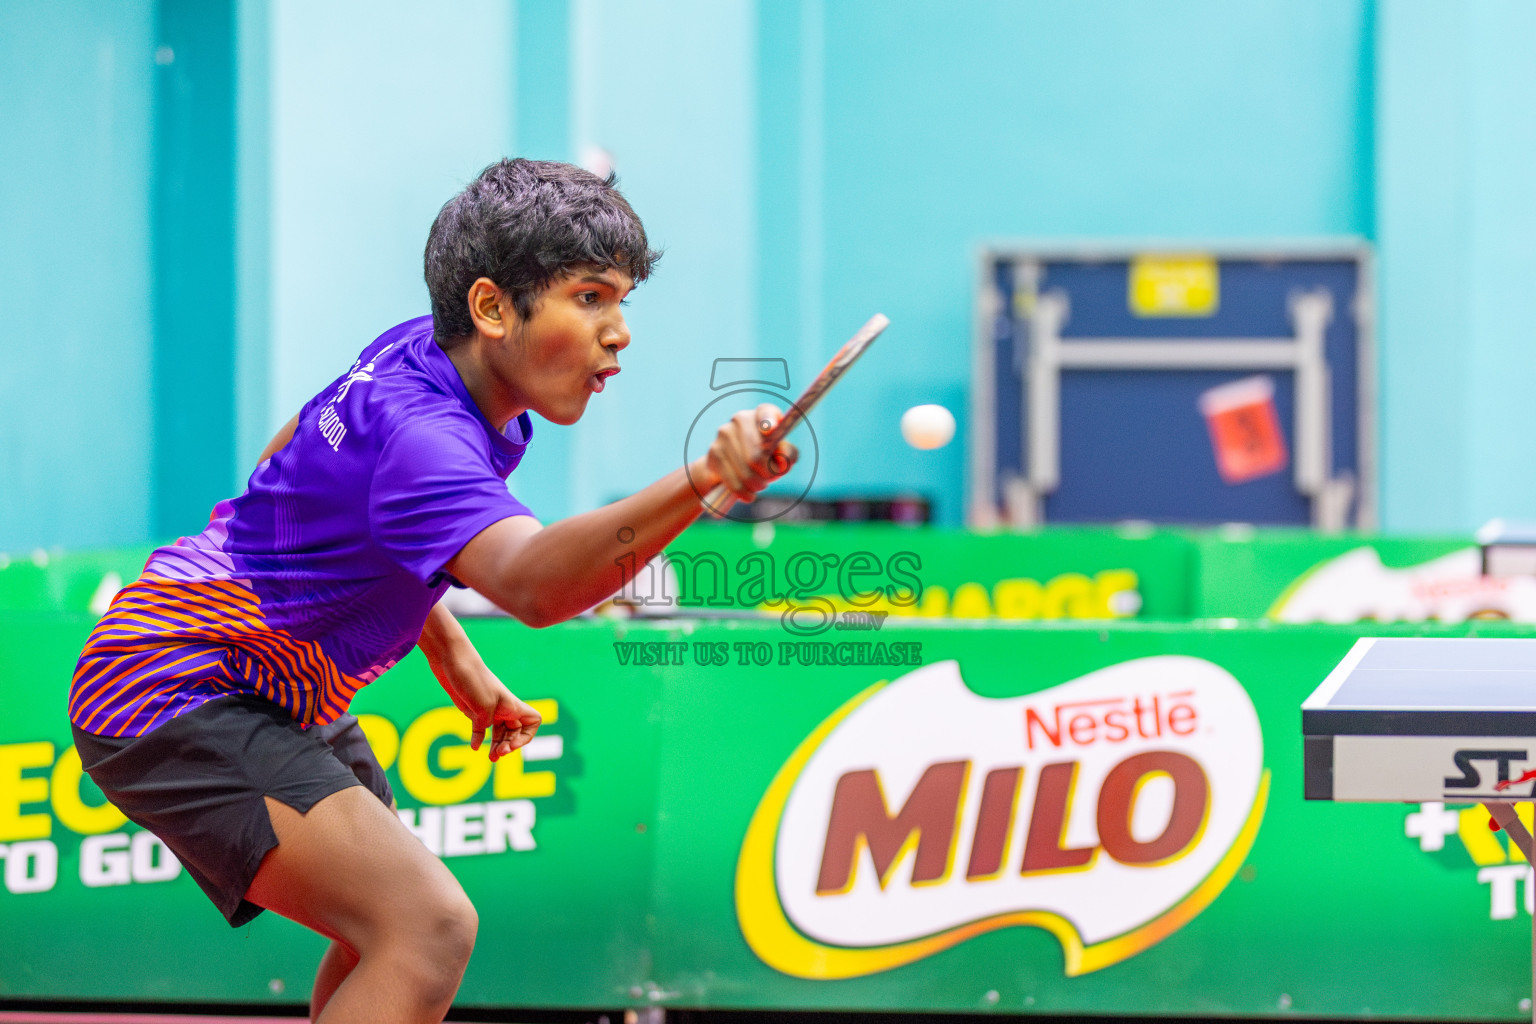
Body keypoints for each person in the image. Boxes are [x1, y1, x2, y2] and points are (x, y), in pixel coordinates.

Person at [68, 158, 796, 1024]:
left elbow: (286, 455)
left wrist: (458, 664)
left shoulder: (418, 349)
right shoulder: (427, 438)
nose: (621, 332)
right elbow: (531, 584)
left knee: (380, 929)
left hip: (268, 670)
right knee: (425, 925)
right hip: (176, 684)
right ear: (491, 308)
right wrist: (706, 479)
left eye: (623, 302)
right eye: (592, 298)